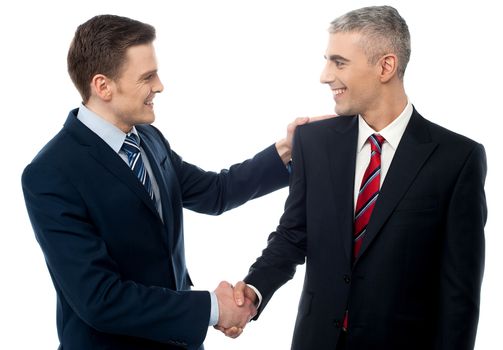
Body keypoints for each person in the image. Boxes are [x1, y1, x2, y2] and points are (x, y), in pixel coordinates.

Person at [21, 14, 321, 350]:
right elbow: (100, 299)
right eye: (147, 77)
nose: (160, 86)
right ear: (103, 86)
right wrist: (211, 308)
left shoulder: (147, 138)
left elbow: (215, 192)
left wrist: (286, 149)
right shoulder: (50, 174)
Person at [231, 5, 487, 350]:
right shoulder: (313, 141)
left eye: (339, 62)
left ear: (386, 66)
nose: (324, 75)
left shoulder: (457, 159)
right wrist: (254, 289)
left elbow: (460, 293)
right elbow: (293, 235)